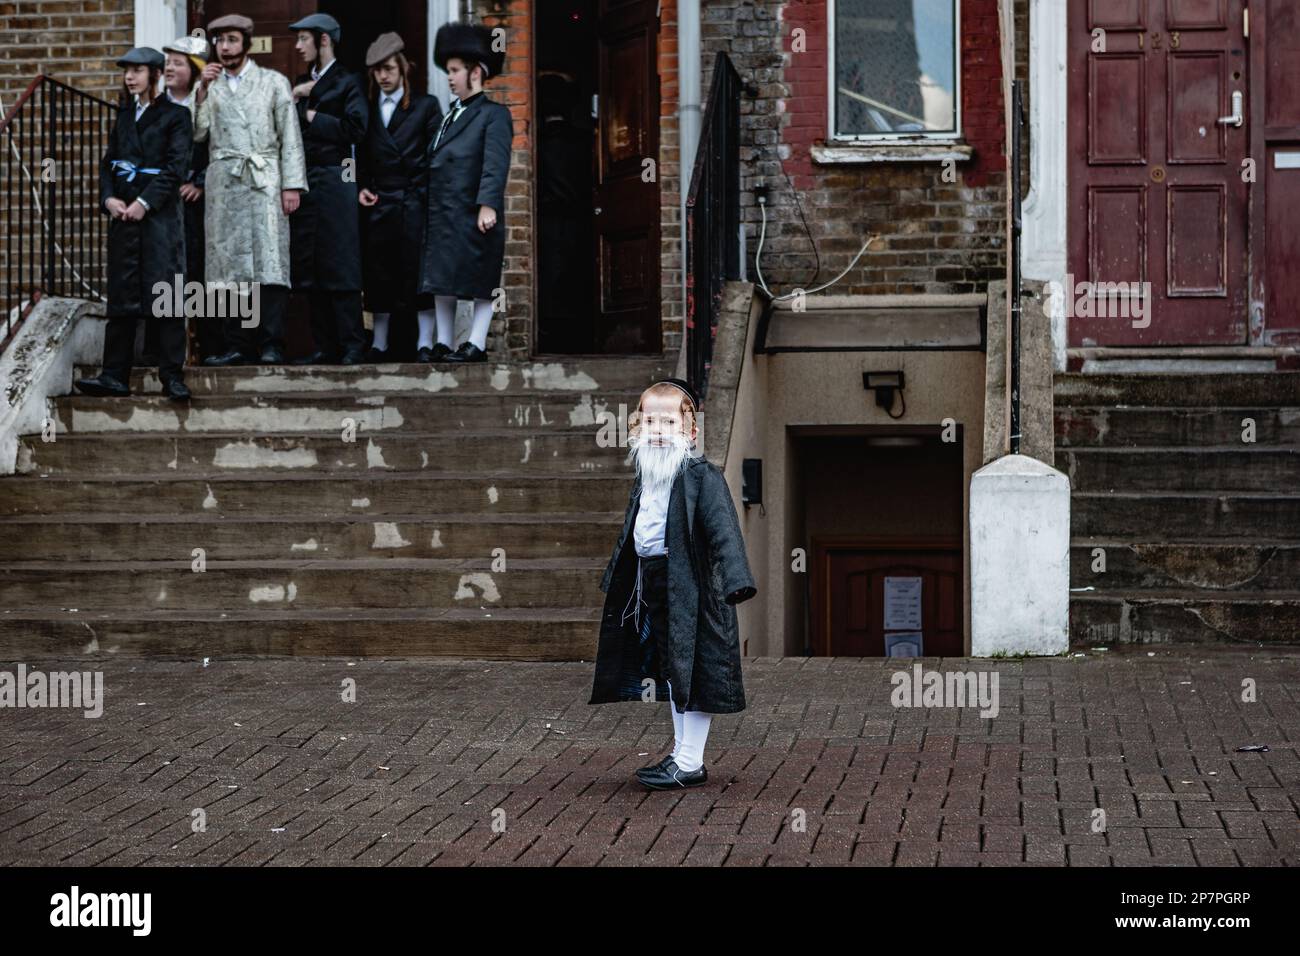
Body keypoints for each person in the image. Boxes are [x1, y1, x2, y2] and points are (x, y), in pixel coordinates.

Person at [588, 379, 758, 790]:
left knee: (695, 670)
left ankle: (689, 761)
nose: (658, 429)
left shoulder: (702, 475)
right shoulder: (648, 470)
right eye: (649, 420)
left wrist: (736, 582)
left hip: (694, 589)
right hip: (655, 582)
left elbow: (724, 532)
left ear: (691, 430)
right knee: (673, 671)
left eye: (669, 421)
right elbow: (636, 528)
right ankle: (682, 755)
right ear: (636, 427)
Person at [75, 47, 193, 402]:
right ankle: (114, 375)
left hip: (158, 218)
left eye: (138, 71)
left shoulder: (177, 116)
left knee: (166, 293)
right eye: (127, 71)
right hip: (123, 217)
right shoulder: (124, 115)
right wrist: (108, 198)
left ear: (155, 75)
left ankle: (172, 375)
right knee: (123, 295)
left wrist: (144, 202)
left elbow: (175, 168)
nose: (130, 78)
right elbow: (109, 162)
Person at [196, 13, 307, 367]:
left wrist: (291, 185)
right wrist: (199, 93)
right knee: (229, 265)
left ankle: (271, 342)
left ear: (246, 42)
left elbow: (290, 135)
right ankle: (236, 343)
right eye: (219, 41)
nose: (225, 48)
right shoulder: (210, 87)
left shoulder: (273, 82)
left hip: (264, 181)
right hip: (225, 184)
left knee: (269, 261)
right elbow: (197, 135)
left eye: (231, 40)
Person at [415, 23, 513, 363]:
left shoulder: (494, 115)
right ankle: (444, 342)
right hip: (443, 211)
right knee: (441, 278)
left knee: (480, 277)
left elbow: (495, 163)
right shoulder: (448, 118)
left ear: (476, 72)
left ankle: (476, 343)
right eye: (449, 71)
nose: (450, 77)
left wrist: (488, 203)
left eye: (455, 71)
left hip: (472, 210)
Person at [287, 12, 369, 365]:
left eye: (304, 39)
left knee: (341, 261)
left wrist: (312, 112)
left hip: (338, 177)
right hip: (306, 180)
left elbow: (356, 128)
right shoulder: (301, 82)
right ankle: (324, 346)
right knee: (311, 264)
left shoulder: (348, 81)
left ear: (323, 40)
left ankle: (353, 344)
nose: (297, 46)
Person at [357, 31, 444, 363]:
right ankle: (378, 343)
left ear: (403, 69)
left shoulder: (426, 106)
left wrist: (424, 195)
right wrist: (358, 186)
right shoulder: (365, 110)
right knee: (379, 275)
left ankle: (424, 342)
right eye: (378, 71)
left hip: (413, 203)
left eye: (389, 69)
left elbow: (437, 156)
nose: (384, 76)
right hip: (379, 204)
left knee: (417, 276)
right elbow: (354, 156)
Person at [158, 35, 219, 361]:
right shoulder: (158, 104)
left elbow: (216, 146)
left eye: (178, 63)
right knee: (166, 273)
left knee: (197, 273)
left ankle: (204, 346)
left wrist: (201, 182)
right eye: (167, 62)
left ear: (194, 70)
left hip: (196, 205)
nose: (169, 68)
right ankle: (164, 349)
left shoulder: (206, 101)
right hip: (164, 203)